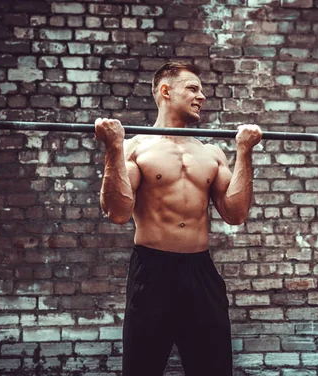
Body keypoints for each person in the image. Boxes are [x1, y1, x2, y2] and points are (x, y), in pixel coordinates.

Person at [94, 61, 263, 376]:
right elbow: (117, 213)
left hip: (200, 273)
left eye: (201, 90)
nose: (202, 97)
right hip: (152, 273)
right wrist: (113, 148)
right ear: (166, 91)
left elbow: (235, 214)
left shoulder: (211, 153)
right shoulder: (134, 149)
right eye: (193, 88)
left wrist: (244, 152)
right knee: (142, 369)